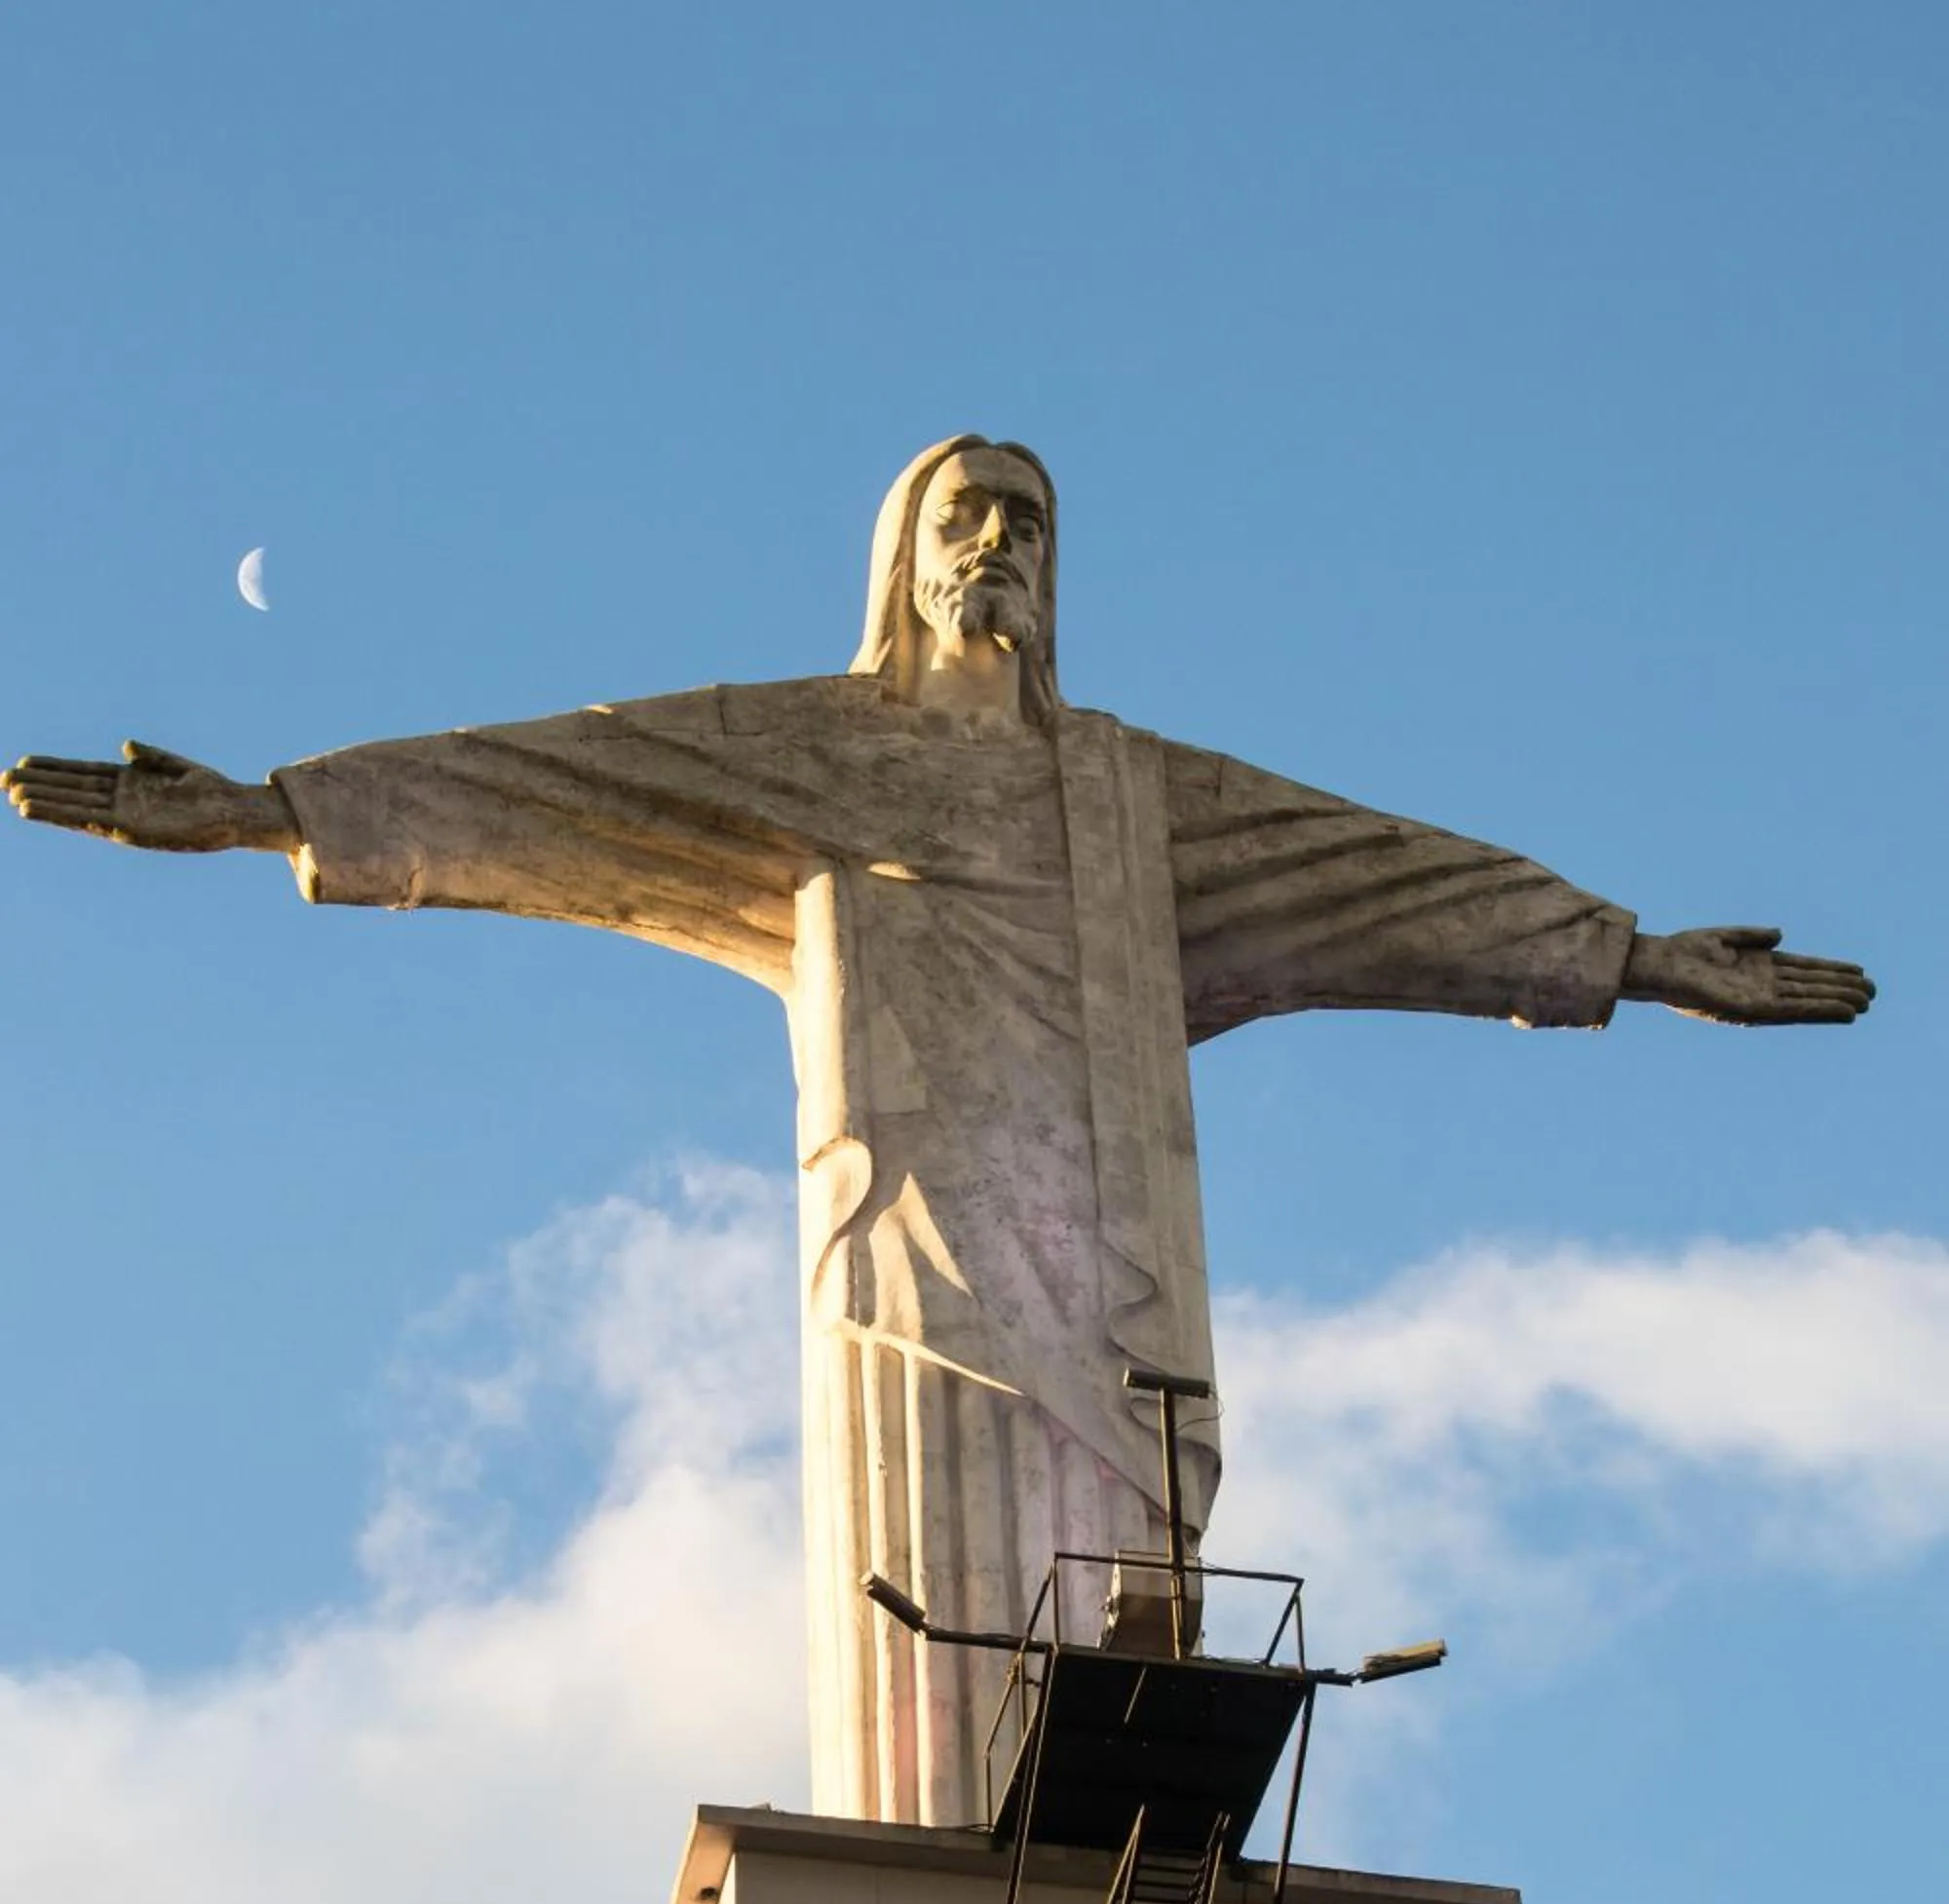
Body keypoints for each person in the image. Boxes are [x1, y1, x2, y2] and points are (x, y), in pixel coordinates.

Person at [4, 438, 1872, 1831]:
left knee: (1131, 1585)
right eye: (961, 515)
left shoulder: (1137, 795)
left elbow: (1371, 875)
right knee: (933, 1613)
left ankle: (1097, 1836)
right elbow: (560, 782)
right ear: (902, 560)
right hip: (910, 1245)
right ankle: (924, 1863)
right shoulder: (817, 751)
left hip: (1112, 1248)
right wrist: (279, 810)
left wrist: (1619, 955)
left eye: (1028, 519)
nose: (997, 545)